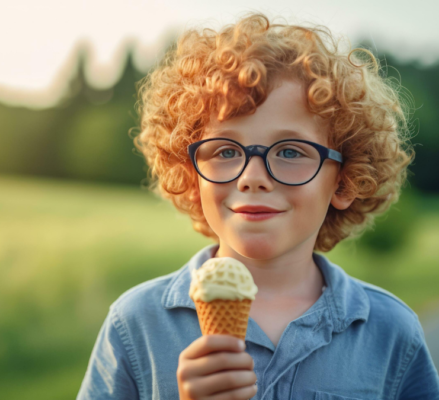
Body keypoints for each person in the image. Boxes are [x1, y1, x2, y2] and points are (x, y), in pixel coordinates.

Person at [77, 13, 439, 400]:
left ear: (344, 180)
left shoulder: (391, 333)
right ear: (190, 173)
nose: (252, 176)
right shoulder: (136, 325)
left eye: (289, 151)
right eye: (226, 150)